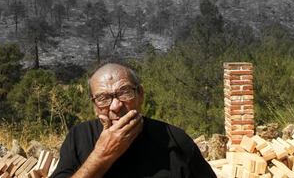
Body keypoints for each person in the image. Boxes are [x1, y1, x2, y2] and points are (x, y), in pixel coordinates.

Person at [51, 63, 216, 178]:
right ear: (94, 105)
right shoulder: (79, 137)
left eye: (125, 92)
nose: (115, 106)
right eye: (103, 98)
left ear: (140, 94)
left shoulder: (175, 139)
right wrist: (102, 156)